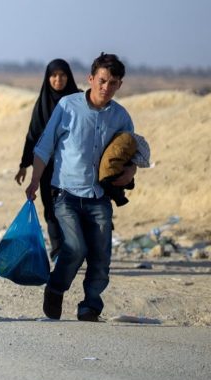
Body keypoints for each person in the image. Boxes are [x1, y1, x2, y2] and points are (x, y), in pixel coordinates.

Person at [27, 53, 135, 322]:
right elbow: (44, 146)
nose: (106, 87)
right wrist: (33, 181)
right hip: (65, 194)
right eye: (102, 80)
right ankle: (56, 287)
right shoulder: (67, 106)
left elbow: (134, 152)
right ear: (91, 79)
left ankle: (90, 305)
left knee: (101, 255)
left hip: (99, 197)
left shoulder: (121, 116)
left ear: (120, 85)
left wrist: (129, 172)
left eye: (113, 83)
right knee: (74, 247)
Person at [14, 59, 80, 260]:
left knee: (72, 209)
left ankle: (75, 248)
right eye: (54, 75)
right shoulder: (42, 104)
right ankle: (58, 250)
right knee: (51, 209)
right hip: (47, 167)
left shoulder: (79, 102)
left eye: (62, 75)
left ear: (69, 77)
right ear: (47, 78)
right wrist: (24, 164)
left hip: (74, 166)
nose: (58, 79)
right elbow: (33, 135)